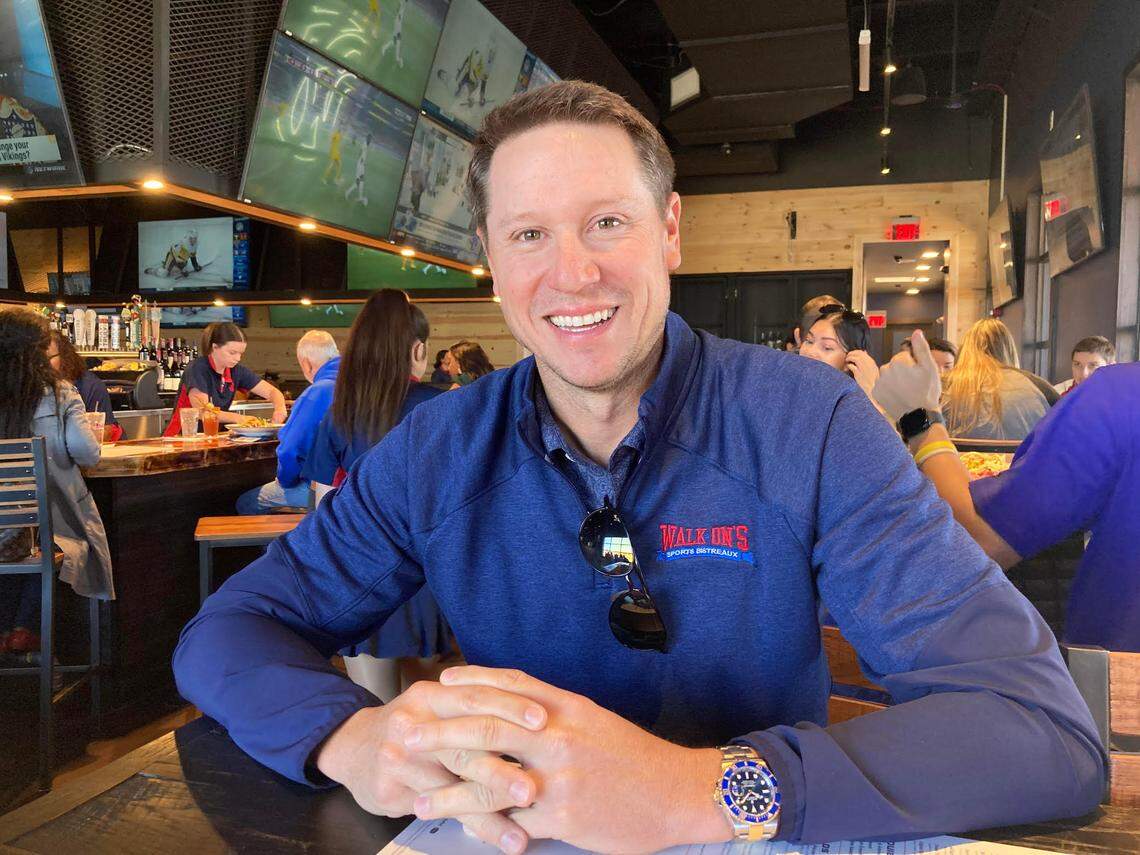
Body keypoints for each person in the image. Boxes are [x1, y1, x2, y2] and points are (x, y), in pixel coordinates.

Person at [174, 81, 1103, 852]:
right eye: (529, 235)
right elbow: (229, 632)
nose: (571, 274)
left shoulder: (808, 423)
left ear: (669, 233)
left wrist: (695, 789)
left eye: (606, 222)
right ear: (492, 264)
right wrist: (350, 734)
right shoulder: (437, 450)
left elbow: (1040, 731)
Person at [875, 330, 1140, 652]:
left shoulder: (1117, 398)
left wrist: (917, 415)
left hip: (1115, 677)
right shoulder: (1041, 388)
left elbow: (980, 540)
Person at [304, 290, 447, 702]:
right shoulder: (444, 409)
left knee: (375, 711)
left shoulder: (341, 413)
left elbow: (325, 509)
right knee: (434, 723)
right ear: (418, 350)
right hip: (429, 579)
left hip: (359, 578)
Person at [0, 308, 113, 655]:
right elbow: (87, 454)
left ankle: (7, 631)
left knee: (24, 538)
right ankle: (26, 630)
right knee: (47, 538)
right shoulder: (60, 392)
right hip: (45, 530)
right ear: (38, 349)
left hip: (4, 531)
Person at [235, 331, 340, 515]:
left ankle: (284, 544)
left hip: (323, 488)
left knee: (246, 503)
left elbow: (290, 449)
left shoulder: (316, 393)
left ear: (306, 363)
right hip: (356, 487)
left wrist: (285, 481)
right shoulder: (357, 384)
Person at [162, 322, 286, 437]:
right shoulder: (198, 368)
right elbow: (203, 412)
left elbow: (272, 392)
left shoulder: (236, 370)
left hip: (211, 436)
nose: (238, 358)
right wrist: (240, 419)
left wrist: (280, 409)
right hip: (182, 436)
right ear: (215, 347)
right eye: (232, 353)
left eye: (241, 353)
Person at [943, 318, 1056, 440]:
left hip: (958, 458)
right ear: (1008, 349)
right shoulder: (1038, 386)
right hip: (1021, 458)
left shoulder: (943, 386)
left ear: (965, 349)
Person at [798, 304, 881, 411]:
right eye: (809, 341)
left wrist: (870, 394)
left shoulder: (851, 408)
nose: (810, 352)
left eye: (827, 347)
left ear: (851, 361)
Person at [47, 330, 123, 443]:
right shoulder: (31, 388)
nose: (42, 364)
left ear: (64, 356)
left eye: (49, 358)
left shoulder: (90, 386)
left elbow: (106, 430)